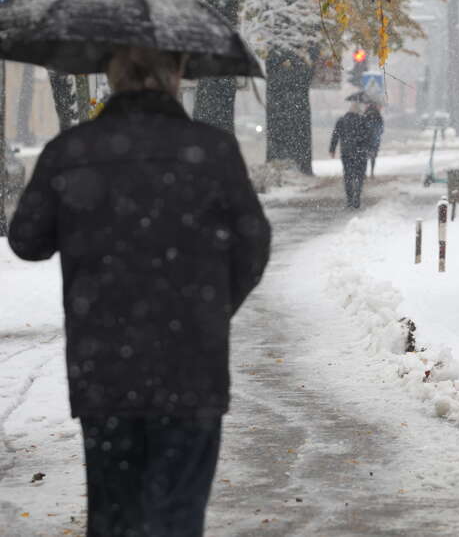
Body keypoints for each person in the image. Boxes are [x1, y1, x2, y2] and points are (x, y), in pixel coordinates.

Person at [8, 46, 271, 537]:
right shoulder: (212, 150)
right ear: (176, 74)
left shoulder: (72, 150)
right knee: (177, 515)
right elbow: (254, 244)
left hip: (104, 371)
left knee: (113, 515)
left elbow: (26, 241)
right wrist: (209, 311)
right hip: (192, 369)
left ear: (111, 75)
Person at [330, 102, 374, 208]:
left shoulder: (341, 121)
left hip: (346, 153)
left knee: (348, 175)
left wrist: (332, 149)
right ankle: (357, 198)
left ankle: (349, 199)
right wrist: (370, 149)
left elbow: (335, 136)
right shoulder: (363, 121)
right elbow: (369, 137)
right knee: (359, 175)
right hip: (361, 153)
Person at [363, 100, 384, 178]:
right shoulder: (378, 116)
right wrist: (377, 135)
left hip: (366, 139)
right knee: (373, 157)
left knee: (365, 157)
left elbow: (362, 127)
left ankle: (364, 173)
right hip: (375, 140)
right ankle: (372, 172)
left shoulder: (365, 114)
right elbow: (381, 129)